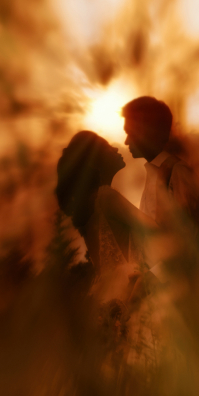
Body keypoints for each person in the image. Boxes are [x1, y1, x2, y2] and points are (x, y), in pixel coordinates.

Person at [55, 131, 157, 306]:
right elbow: (155, 229)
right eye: (108, 147)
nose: (116, 148)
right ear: (96, 160)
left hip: (111, 293)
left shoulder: (90, 207)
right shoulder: (106, 197)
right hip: (133, 287)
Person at [122, 96, 199, 231]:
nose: (126, 141)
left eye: (131, 133)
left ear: (150, 133)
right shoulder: (154, 172)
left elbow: (188, 237)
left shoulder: (178, 172)